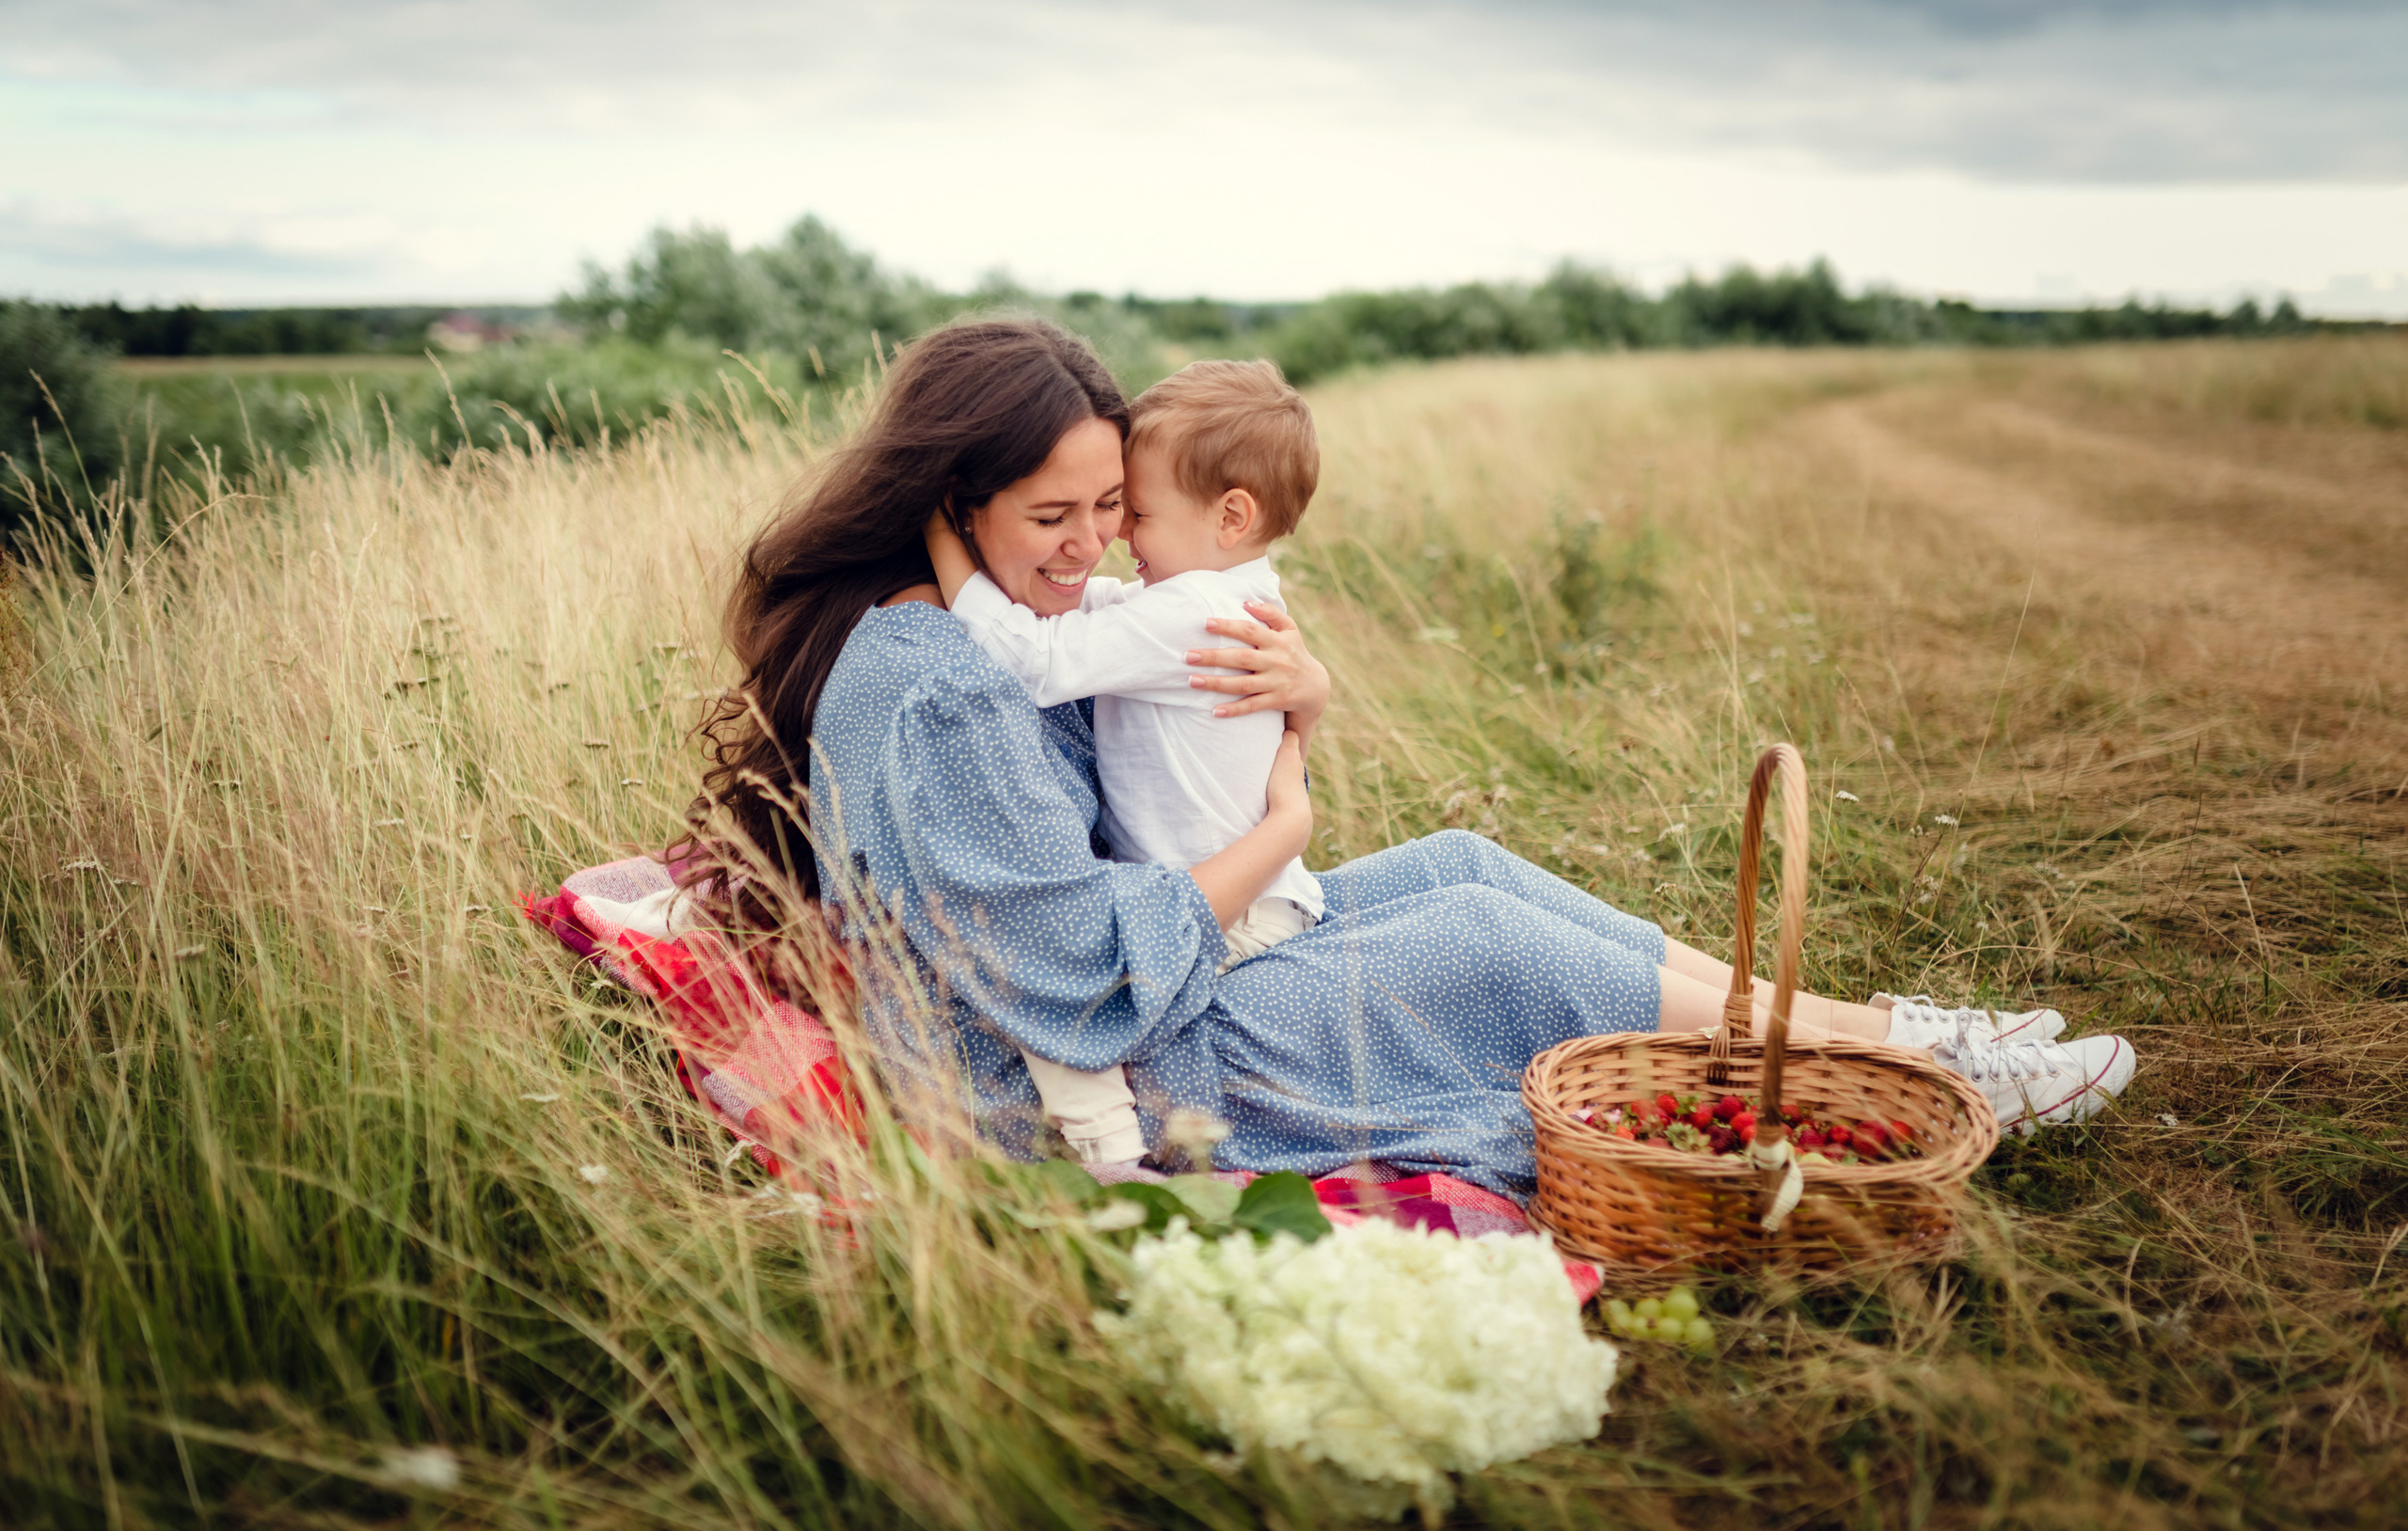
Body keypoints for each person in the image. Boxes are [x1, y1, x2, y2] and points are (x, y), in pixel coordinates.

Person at [691, 319, 2135, 1199]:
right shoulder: (942, 681)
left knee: (1462, 865)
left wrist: (1298, 690)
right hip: (1076, 1075)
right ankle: (1922, 1069)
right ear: (953, 499)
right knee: (1485, 943)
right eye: (1053, 519)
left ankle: (1882, 1035)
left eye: (1109, 511)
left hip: (1128, 992)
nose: (1093, 550)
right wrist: (1284, 822)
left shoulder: (967, 618)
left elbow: (1148, 689)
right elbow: (1068, 968)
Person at [923, 359, 1323, 1163]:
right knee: (1070, 961)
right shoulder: (1218, 594)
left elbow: (1033, 660)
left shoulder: (1194, 613)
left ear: (1231, 515)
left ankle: (1111, 1156)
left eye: (1134, 513)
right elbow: (1106, 607)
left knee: (1070, 985)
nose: (1118, 537)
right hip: (1245, 893)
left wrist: (940, 538)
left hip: (1230, 911)